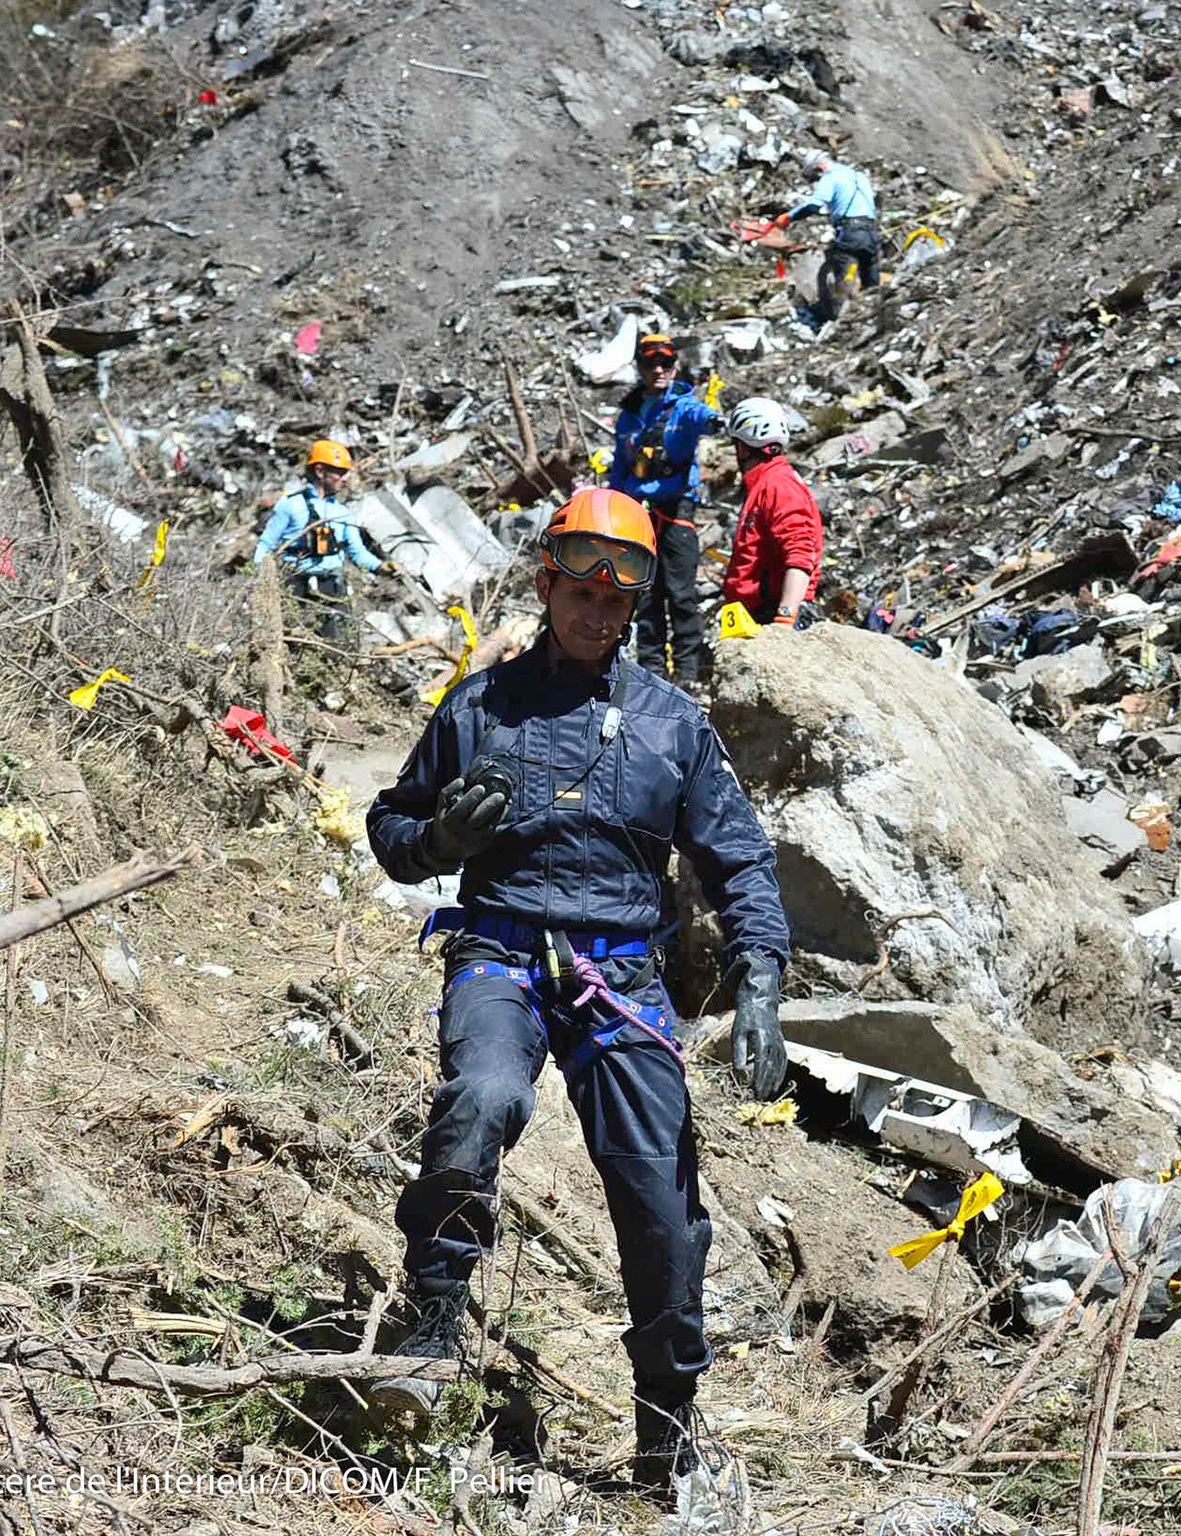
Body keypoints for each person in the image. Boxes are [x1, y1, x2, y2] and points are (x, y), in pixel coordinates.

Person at [365, 487, 790, 1491]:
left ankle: (665, 1430)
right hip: (498, 952)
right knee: (482, 1099)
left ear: (634, 608)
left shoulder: (671, 726)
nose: (595, 615)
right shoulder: (478, 705)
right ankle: (427, 1338)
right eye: (578, 592)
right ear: (546, 582)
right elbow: (391, 829)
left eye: (616, 602)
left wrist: (760, 980)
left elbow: (739, 859)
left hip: (621, 976)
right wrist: (441, 843)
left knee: (656, 1192)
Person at [611, 333, 723, 689]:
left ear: (675, 367)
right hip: (637, 510)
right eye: (650, 363)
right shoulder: (629, 414)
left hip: (676, 508)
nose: (658, 370)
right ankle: (652, 671)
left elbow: (704, 417)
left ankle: (688, 672)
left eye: (666, 363)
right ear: (640, 368)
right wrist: (613, 507)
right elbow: (619, 466)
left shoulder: (684, 406)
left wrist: (719, 423)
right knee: (645, 593)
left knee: (681, 590)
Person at [252, 439, 395, 641]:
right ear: (320, 471)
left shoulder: (342, 512)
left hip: (332, 586)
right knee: (296, 643)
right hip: (294, 586)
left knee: (339, 642)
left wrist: (381, 567)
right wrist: (258, 580)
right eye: (341, 472)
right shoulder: (290, 505)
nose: (345, 479)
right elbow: (266, 545)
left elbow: (357, 552)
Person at [720, 400, 823, 628]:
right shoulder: (765, 483)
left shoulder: (777, 484)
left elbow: (800, 550)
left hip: (773, 612)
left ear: (742, 447)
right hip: (755, 613)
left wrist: (785, 617)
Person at [776, 151, 881, 328]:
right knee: (871, 278)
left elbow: (815, 204)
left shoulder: (830, 177)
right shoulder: (858, 175)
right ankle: (874, 315)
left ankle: (835, 320)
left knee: (843, 274)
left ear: (819, 168)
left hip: (850, 233)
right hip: (871, 233)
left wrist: (789, 217)